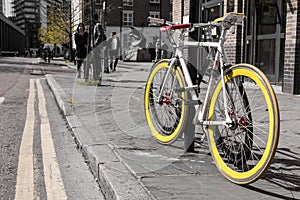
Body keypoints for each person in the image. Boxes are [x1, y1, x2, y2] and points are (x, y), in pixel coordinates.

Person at [92, 13, 106, 80]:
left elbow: (100, 35)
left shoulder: (98, 25)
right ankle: (97, 77)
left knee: (97, 62)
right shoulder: (97, 26)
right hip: (97, 47)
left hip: (97, 48)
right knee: (96, 62)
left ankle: (97, 77)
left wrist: (96, 43)